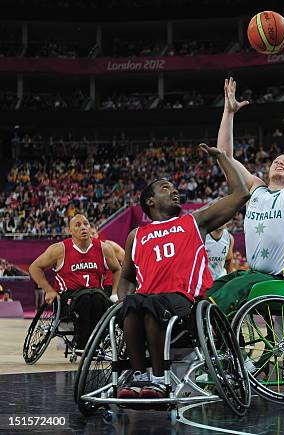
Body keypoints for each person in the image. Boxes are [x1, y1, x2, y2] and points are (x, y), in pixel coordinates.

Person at [116, 143, 249, 399]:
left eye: (174, 188)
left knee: (150, 304)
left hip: (186, 304)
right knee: (132, 305)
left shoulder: (194, 222)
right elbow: (126, 278)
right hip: (148, 304)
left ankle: (158, 378)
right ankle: (138, 376)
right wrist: (121, 301)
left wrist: (222, 158)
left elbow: (240, 194)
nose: (174, 191)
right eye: (166, 188)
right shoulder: (137, 235)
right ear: (150, 201)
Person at [206, 73, 284, 313]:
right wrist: (228, 113)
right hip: (253, 276)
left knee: (221, 300)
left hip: (280, 279)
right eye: (276, 161)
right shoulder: (256, 189)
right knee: (209, 290)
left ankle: (212, 342)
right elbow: (224, 158)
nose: (279, 162)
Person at [28, 214, 121, 350]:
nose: (83, 227)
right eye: (77, 225)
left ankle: (96, 342)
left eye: (86, 223)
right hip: (69, 296)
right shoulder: (60, 249)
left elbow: (118, 269)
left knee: (97, 298)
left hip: (95, 293)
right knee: (85, 299)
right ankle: (82, 343)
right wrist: (48, 290)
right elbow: (34, 268)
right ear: (70, 231)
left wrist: (114, 293)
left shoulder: (104, 248)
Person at [90, 225, 125, 300]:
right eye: (89, 234)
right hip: (97, 287)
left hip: (111, 285)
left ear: (97, 233)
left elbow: (126, 260)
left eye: (93, 233)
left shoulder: (109, 245)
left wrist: (115, 292)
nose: (91, 236)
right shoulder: (86, 250)